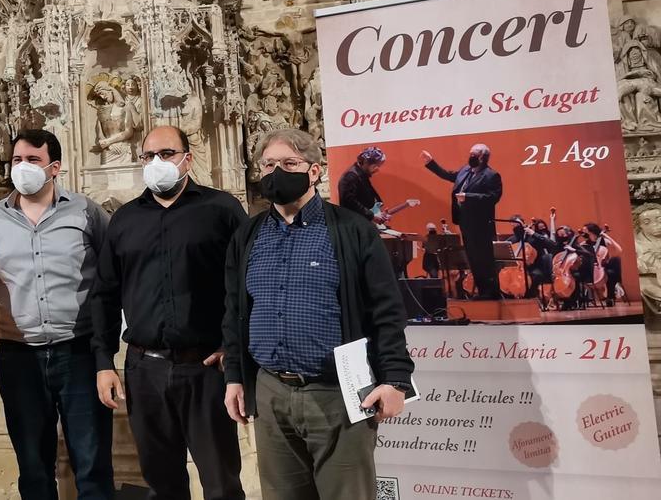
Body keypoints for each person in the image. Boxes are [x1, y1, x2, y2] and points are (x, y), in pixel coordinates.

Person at [222, 128, 414, 500]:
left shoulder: (351, 230)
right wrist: (235, 376)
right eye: (269, 164)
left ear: (314, 171)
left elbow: (387, 309)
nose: (277, 171)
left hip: (338, 393)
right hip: (271, 391)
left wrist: (395, 379)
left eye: (289, 163)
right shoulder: (248, 235)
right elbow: (234, 310)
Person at [91, 125, 247, 500]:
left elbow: (246, 285)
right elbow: (105, 293)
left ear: (187, 159)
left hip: (207, 367)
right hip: (145, 369)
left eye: (166, 154)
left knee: (221, 482)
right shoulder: (125, 219)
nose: (156, 163)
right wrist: (103, 361)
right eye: (148, 156)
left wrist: (234, 347)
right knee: (161, 483)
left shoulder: (222, 209)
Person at [0, 129, 115, 500]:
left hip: (79, 352)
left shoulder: (86, 212)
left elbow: (109, 274)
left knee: (93, 462)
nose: (22, 167)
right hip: (19, 355)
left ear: (55, 167)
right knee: (33, 467)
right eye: (17, 160)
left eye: (32, 160)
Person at [421, 144, 503, 299]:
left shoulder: (491, 175)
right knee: (473, 259)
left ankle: (491, 293)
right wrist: (431, 163)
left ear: (482, 157)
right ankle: (482, 291)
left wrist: (468, 197)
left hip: (481, 225)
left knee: (484, 259)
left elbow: (493, 197)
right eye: (470, 153)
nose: (470, 156)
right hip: (465, 223)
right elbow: (449, 175)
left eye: (474, 154)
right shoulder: (465, 170)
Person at [507, 215, 557, 302]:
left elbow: (552, 245)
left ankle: (530, 298)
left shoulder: (534, 237)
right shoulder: (512, 239)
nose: (516, 227)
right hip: (517, 268)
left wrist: (533, 233)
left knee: (535, 275)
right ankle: (511, 300)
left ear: (523, 223)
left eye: (518, 224)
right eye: (513, 225)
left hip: (534, 266)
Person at [337, 147, 387, 225]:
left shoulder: (361, 175)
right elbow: (349, 202)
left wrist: (378, 212)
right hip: (353, 225)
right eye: (375, 166)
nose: (377, 169)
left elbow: (369, 196)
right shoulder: (350, 177)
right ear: (366, 163)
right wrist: (372, 215)